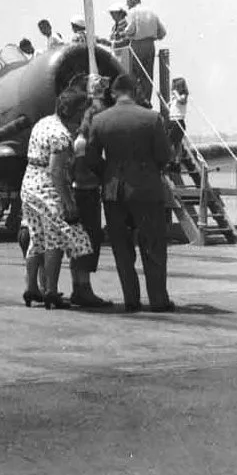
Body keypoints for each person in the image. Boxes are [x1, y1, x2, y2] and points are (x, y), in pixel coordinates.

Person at [87, 73, 174, 312]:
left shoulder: (100, 120)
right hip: (146, 190)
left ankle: (131, 300)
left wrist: (109, 173)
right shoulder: (152, 118)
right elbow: (165, 156)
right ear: (134, 91)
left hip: (114, 191)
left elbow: (91, 158)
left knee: (122, 249)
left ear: (113, 93)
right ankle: (158, 300)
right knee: (153, 246)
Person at [20, 89, 94, 309]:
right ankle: (51, 291)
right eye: (81, 111)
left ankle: (31, 287)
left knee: (36, 238)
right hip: (47, 190)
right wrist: (69, 203)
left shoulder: (42, 123)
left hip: (29, 187)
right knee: (55, 241)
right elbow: (56, 172)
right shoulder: (61, 136)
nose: (82, 116)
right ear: (72, 111)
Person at [69, 75, 113, 308]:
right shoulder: (88, 142)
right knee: (89, 238)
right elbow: (97, 165)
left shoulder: (78, 138)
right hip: (87, 193)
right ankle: (84, 289)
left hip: (78, 191)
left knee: (79, 241)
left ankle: (79, 287)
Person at [123, 0, 167, 107]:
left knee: (135, 74)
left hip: (137, 44)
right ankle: (146, 100)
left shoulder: (132, 12)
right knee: (148, 75)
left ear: (133, 1)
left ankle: (137, 100)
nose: (127, 5)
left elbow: (130, 29)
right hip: (150, 45)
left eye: (128, 2)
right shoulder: (152, 12)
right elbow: (162, 32)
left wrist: (125, 34)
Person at [108, 4, 131, 73]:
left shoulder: (125, 25)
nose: (112, 15)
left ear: (120, 14)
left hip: (123, 55)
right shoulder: (114, 26)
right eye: (111, 13)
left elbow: (126, 41)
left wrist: (113, 44)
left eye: (113, 13)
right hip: (116, 54)